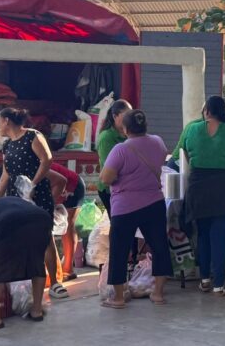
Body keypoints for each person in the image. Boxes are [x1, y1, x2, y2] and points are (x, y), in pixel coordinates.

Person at [99, 110, 172, 308]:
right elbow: (161, 158)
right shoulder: (158, 142)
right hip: (154, 203)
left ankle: (119, 297)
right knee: (159, 247)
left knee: (119, 250)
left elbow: (106, 178)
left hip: (125, 207)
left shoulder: (120, 150)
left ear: (125, 128)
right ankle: (157, 293)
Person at [0, 108, 68, 299]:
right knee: (17, 238)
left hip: (38, 195)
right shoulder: (7, 145)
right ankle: (21, 283)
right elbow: (5, 173)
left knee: (45, 238)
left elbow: (47, 160)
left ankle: (55, 282)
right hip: (15, 198)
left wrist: (33, 184)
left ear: (7, 121)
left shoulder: (32, 136)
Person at [182, 96, 225, 295]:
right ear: (223, 111)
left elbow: (186, 155)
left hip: (198, 187)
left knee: (202, 234)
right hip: (224, 186)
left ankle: (204, 279)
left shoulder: (191, 129)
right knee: (219, 236)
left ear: (206, 111)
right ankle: (218, 285)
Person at [0, 196, 53, 328]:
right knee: (37, 263)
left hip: (9, 221)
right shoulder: (9, 201)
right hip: (42, 218)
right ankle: (37, 311)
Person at [48, 162, 86, 281]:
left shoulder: (35, 164)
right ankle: (56, 270)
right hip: (57, 189)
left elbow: (62, 180)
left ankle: (68, 269)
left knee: (68, 227)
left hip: (73, 186)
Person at [97, 99, 132, 216]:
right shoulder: (106, 137)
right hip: (109, 189)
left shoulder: (130, 135)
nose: (129, 119)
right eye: (126, 115)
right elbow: (110, 168)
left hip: (127, 188)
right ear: (114, 116)